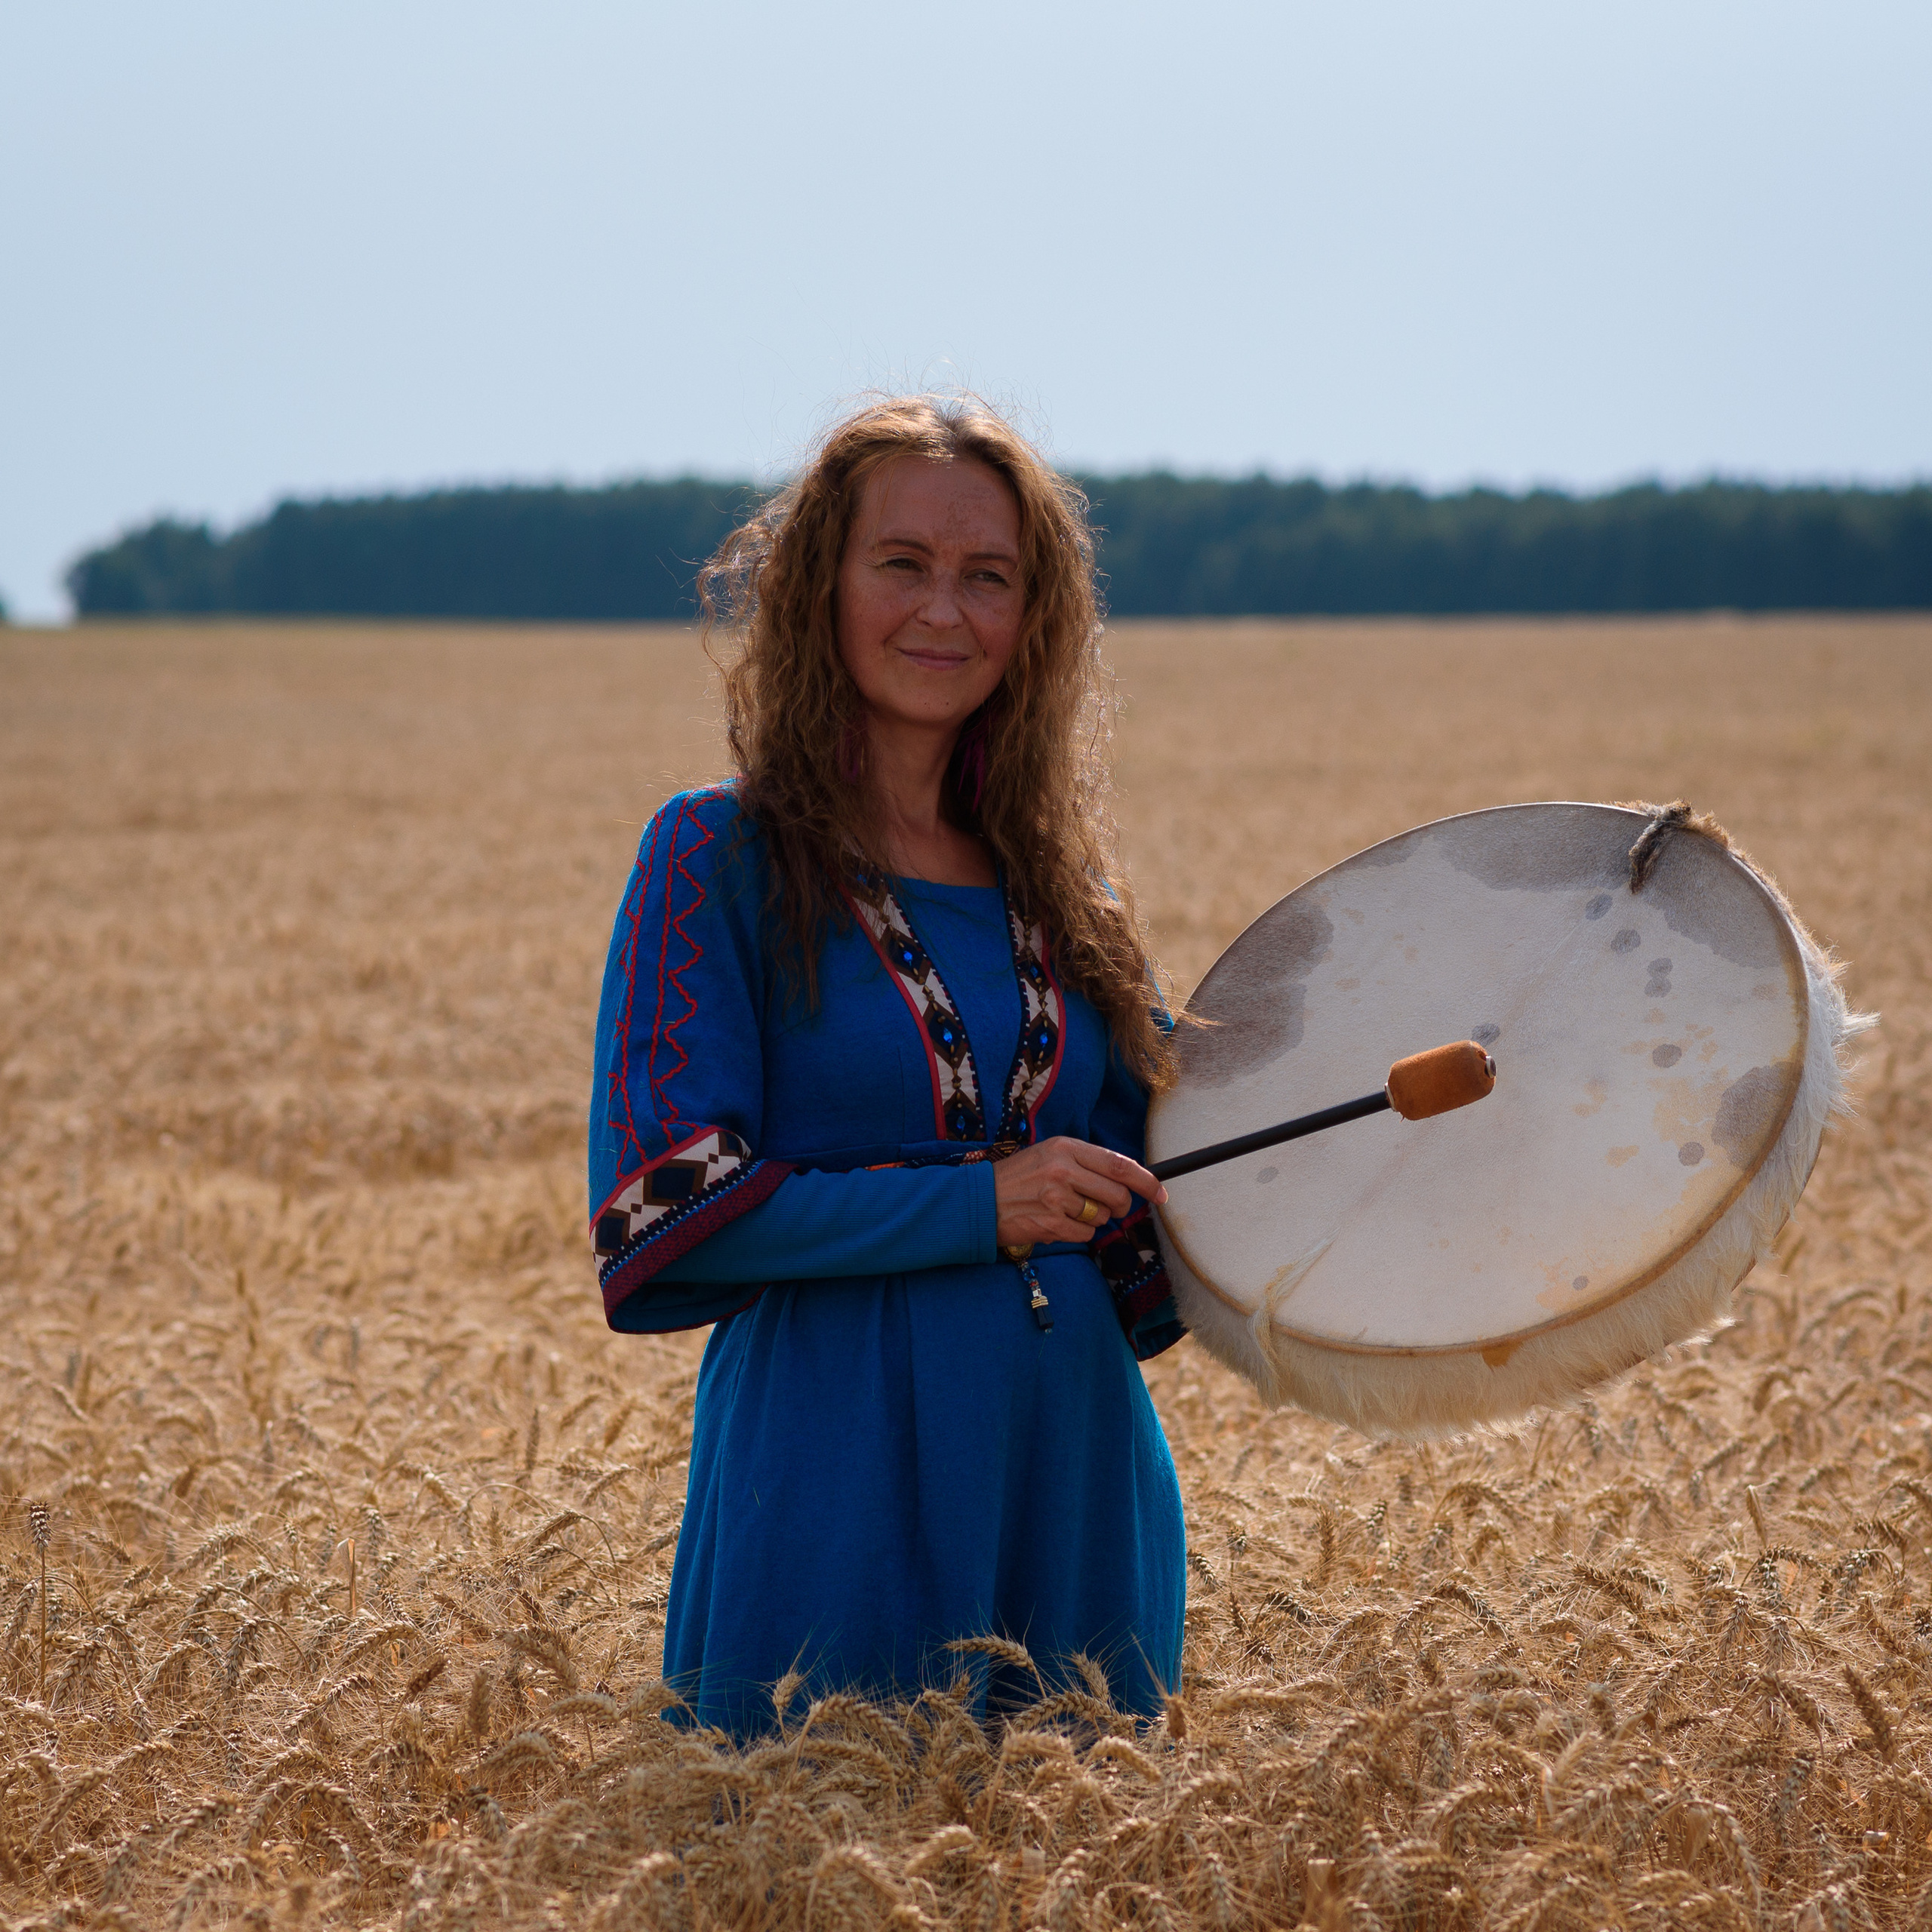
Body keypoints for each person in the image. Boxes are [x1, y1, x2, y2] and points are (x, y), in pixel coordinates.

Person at [586, 395, 1187, 1736]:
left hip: (1076, 1475)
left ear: (1035, 618)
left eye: (990, 577)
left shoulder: (1067, 892)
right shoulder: (716, 857)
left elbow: (1172, 1191)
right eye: (902, 564)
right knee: (809, 1831)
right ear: (821, 586)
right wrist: (984, 1202)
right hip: (833, 1476)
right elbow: (661, 1219)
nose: (944, 611)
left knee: (1088, 1837)